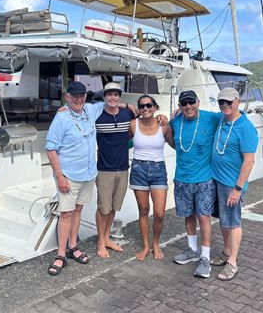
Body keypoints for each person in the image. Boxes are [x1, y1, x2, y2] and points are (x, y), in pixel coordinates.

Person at [45, 81, 106, 275]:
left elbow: (108, 104)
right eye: (75, 96)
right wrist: (60, 177)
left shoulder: (89, 110)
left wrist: (129, 106)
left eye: (82, 95)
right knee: (66, 214)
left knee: (78, 210)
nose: (79, 99)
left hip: (88, 173)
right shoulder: (61, 118)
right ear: (67, 97)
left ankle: (73, 246)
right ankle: (61, 254)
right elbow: (51, 149)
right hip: (69, 175)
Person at [169, 90, 221, 278]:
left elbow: (234, 116)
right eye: (184, 103)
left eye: (191, 102)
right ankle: (192, 249)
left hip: (204, 179)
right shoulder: (176, 121)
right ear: (180, 106)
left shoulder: (211, 118)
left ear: (198, 102)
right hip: (182, 178)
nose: (188, 106)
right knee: (188, 215)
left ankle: (205, 257)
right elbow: (169, 136)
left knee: (203, 217)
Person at [210, 87, 258, 281]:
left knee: (233, 222)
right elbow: (201, 114)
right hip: (216, 180)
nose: (224, 105)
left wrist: (238, 189)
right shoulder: (221, 119)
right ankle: (226, 250)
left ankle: (233, 262)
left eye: (228, 102)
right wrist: (177, 111)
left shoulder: (245, 127)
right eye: (221, 102)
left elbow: (249, 161)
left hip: (232, 184)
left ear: (237, 101)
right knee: (223, 219)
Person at [128, 95, 174, 260]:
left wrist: (172, 118)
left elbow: (175, 144)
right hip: (138, 169)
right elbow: (119, 141)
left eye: (149, 105)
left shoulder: (164, 126)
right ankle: (146, 246)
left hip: (158, 170)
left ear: (155, 107)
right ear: (138, 108)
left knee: (160, 213)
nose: (145, 109)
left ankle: (155, 242)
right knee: (144, 210)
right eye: (142, 106)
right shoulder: (133, 124)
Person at [94, 82, 135, 258]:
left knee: (113, 207)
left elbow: (145, 115)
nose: (113, 98)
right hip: (104, 169)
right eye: (109, 94)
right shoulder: (97, 115)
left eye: (116, 95)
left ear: (120, 97)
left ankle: (107, 238)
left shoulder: (127, 113)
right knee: (103, 208)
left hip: (123, 168)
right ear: (104, 97)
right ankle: (100, 243)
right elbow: (79, 109)